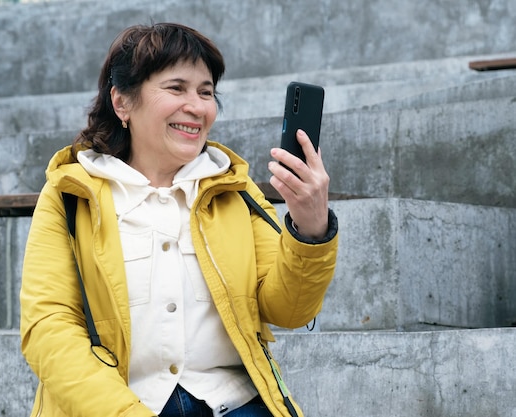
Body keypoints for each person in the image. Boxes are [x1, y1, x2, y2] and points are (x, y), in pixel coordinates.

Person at [20, 22, 338, 417]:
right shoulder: (70, 195)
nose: (198, 106)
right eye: (176, 88)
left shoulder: (235, 191)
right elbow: (49, 330)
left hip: (234, 403)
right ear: (122, 103)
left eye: (206, 92)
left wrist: (310, 229)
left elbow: (291, 311)